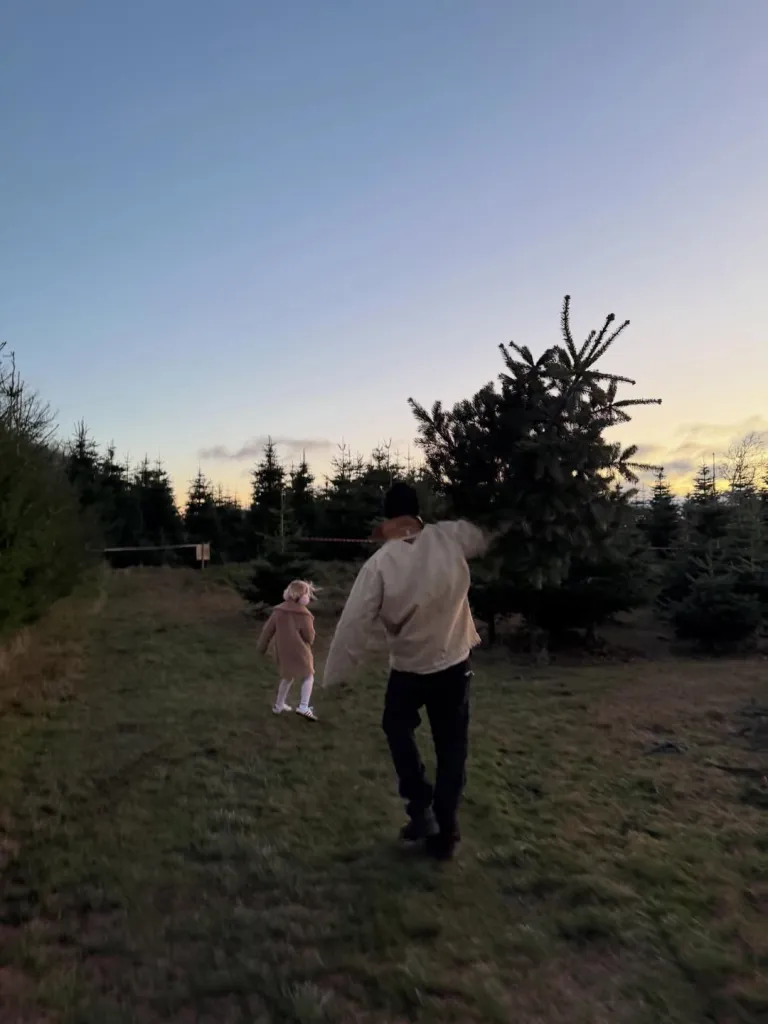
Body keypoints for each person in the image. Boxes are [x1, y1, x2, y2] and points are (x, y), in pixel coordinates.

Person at [322, 482, 489, 860]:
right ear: (417, 511)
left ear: (387, 518)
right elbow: (485, 535)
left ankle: (420, 806)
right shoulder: (450, 537)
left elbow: (353, 623)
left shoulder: (379, 564)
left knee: (396, 728)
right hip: (453, 663)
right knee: (452, 748)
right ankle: (443, 831)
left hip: (410, 670)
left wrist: (336, 673)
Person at [258, 579, 318, 721]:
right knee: (308, 675)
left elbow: (267, 630)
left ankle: (278, 706)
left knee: (287, 676)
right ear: (303, 597)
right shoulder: (304, 614)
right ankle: (304, 706)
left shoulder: (278, 610)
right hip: (300, 651)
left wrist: (261, 648)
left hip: (283, 651)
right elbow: (309, 637)